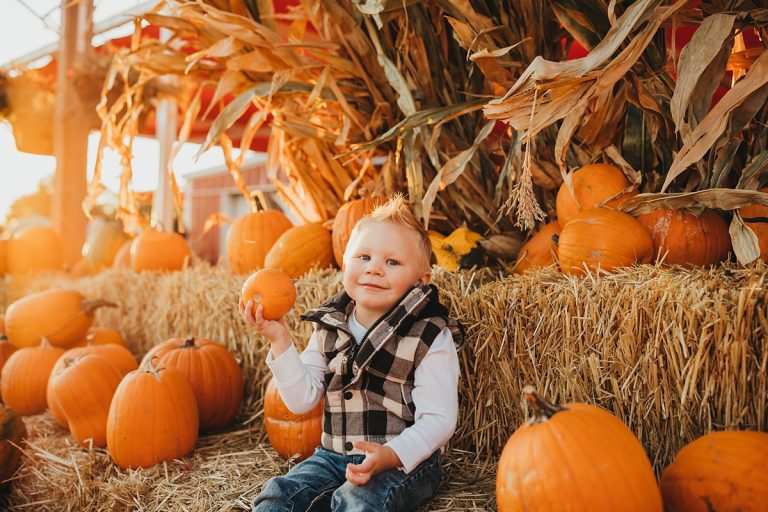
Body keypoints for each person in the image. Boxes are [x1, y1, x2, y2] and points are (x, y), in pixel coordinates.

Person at [239, 195, 465, 512]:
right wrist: (279, 340)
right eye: (363, 257)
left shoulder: (428, 335)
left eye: (392, 262)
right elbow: (301, 400)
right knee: (280, 494)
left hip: (402, 461)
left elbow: (439, 419)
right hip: (332, 457)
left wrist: (390, 455)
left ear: (420, 281)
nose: (374, 269)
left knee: (357, 501)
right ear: (344, 263)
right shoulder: (329, 326)